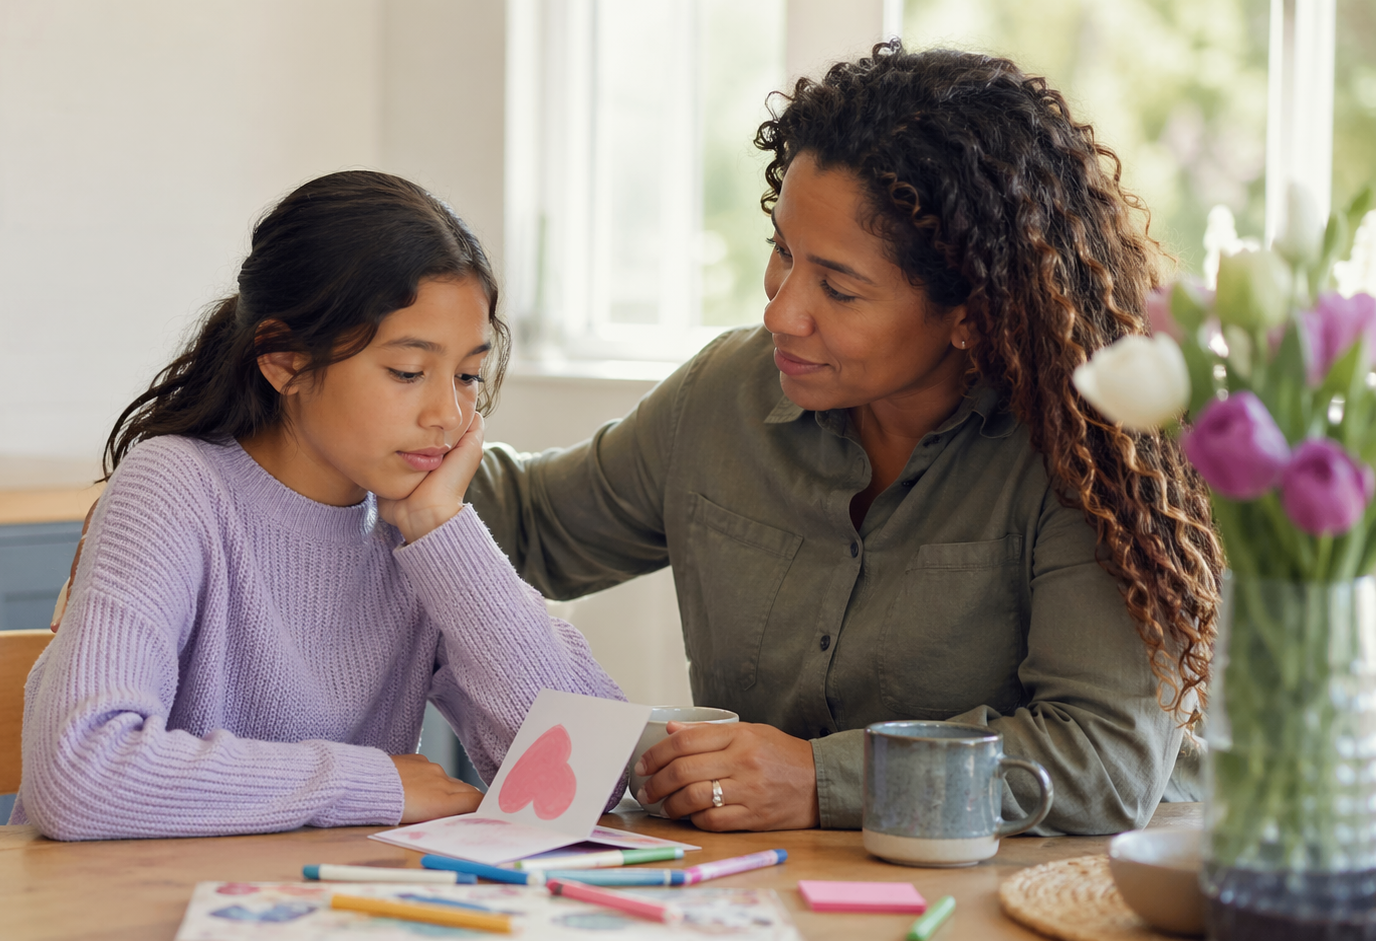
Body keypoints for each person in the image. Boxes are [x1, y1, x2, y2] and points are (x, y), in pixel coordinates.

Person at [467, 43, 1222, 835]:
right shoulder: (725, 395)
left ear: (974, 313)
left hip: (1063, 892)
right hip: (793, 891)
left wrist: (818, 777)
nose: (780, 312)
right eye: (782, 253)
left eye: (838, 287)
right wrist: (368, 428)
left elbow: (1103, 759)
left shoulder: (1092, 446)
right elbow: (528, 523)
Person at [13, 170, 624, 841]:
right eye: (407, 372)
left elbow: (593, 774)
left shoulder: (420, 523)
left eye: (468, 375)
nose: (448, 414)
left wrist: (443, 533)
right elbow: (80, 776)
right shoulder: (174, 488)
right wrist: (374, 781)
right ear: (284, 359)